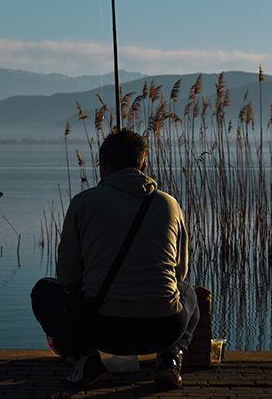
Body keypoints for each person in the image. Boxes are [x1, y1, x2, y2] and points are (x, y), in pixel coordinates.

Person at [33, 129, 200, 390]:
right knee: (189, 292)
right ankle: (170, 360)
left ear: (103, 165)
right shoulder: (169, 204)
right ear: (143, 163)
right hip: (163, 328)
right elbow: (180, 272)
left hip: (101, 329)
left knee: (44, 291)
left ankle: (87, 361)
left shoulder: (83, 203)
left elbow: (67, 277)